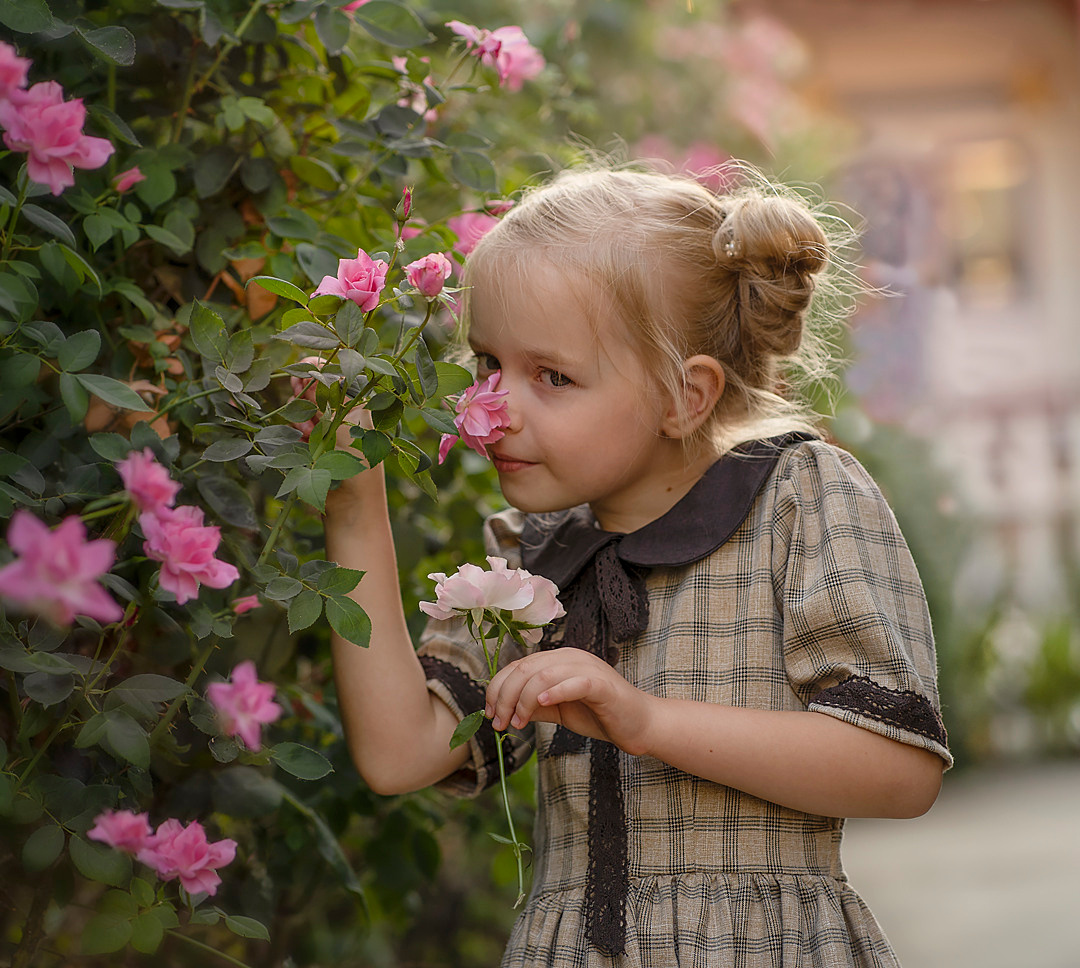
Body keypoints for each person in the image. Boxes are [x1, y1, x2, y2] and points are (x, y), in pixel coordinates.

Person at [325, 166, 951, 968]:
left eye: (552, 376)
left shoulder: (798, 499)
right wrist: (350, 499)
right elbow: (400, 752)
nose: (495, 407)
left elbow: (899, 771)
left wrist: (646, 721)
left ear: (684, 397)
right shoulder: (533, 549)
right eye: (488, 363)